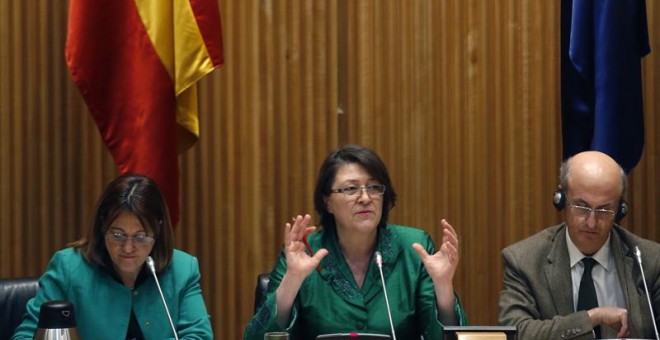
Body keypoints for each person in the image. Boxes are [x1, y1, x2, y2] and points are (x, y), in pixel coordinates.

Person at [244, 144, 468, 340]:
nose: (365, 198)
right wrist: (292, 280)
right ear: (328, 202)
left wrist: (443, 287)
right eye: (351, 189)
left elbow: (448, 337)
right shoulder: (304, 251)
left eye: (373, 187)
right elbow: (257, 338)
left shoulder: (414, 248)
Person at [12, 174, 213, 339]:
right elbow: (25, 336)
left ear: (158, 229)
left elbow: (199, 336)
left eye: (140, 237)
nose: (127, 247)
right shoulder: (68, 267)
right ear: (102, 225)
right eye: (117, 235)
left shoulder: (183, 269)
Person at [498, 151, 660, 339]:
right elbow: (517, 333)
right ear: (560, 199)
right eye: (582, 207)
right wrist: (592, 318)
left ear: (620, 210)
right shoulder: (524, 261)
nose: (591, 222)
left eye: (604, 209)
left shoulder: (649, 260)